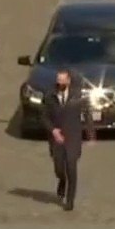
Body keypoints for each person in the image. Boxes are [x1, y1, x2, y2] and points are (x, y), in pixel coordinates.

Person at [41, 69, 94, 211]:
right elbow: (44, 117)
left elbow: (87, 114)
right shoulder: (50, 95)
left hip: (73, 137)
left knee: (71, 166)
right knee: (59, 167)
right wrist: (53, 130)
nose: (60, 83)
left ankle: (70, 200)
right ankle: (62, 180)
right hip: (56, 138)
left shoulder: (77, 95)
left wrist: (90, 135)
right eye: (58, 80)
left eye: (63, 80)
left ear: (68, 81)